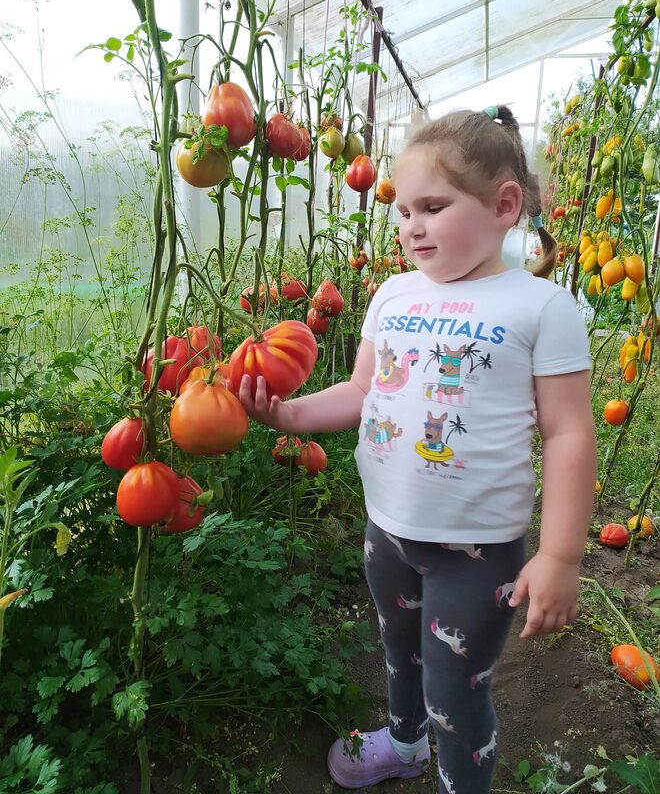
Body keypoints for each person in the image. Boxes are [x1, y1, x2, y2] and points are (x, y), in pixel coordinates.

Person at [238, 106, 597, 792]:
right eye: (403, 212)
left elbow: (569, 432)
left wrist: (559, 556)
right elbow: (361, 390)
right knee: (399, 657)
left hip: (477, 549)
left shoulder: (539, 308)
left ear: (504, 205)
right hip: (388, 532)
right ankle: (404, 746)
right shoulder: (393, 295)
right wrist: (288, 415)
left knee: (456, 694)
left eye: (432, 206)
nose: (411, 227)